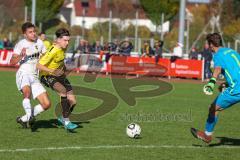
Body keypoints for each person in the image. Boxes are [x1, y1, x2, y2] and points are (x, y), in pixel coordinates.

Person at [191, 33, 240, 143]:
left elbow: (217, 69)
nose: (209, 47)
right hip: (236, 86)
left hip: (236, 90)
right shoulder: (233, 51)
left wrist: (211, 83)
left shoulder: (218, 55)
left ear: (212, 44)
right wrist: (226, 83)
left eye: (209, 44)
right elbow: (235, 70)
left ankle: (207, 135)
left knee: (213, 108)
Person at [10, 22, 51, 128]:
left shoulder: (40, 43)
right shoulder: (20, 44)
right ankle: (29, 116)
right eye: (30, 32)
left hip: (35, 76)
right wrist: (20, 55)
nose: (33, 34)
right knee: (27, 94)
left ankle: (24, 119)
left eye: (34, 31)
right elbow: (12, 62)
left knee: (46, 104)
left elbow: (45, 57)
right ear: (25, 34)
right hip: (23, 73)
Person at [37, 28, 78, 131]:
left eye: (68, 40)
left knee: (73, 101)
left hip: (59, 75)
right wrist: (52, 71)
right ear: (58, 40)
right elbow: (38, 65)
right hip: (46, 76)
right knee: (63, 91)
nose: (67, 43)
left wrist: (63, 68)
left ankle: (63, 118)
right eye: (65, 40)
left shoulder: (63, 48)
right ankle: (66, 121)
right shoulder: (53, 50)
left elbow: (60, 61)